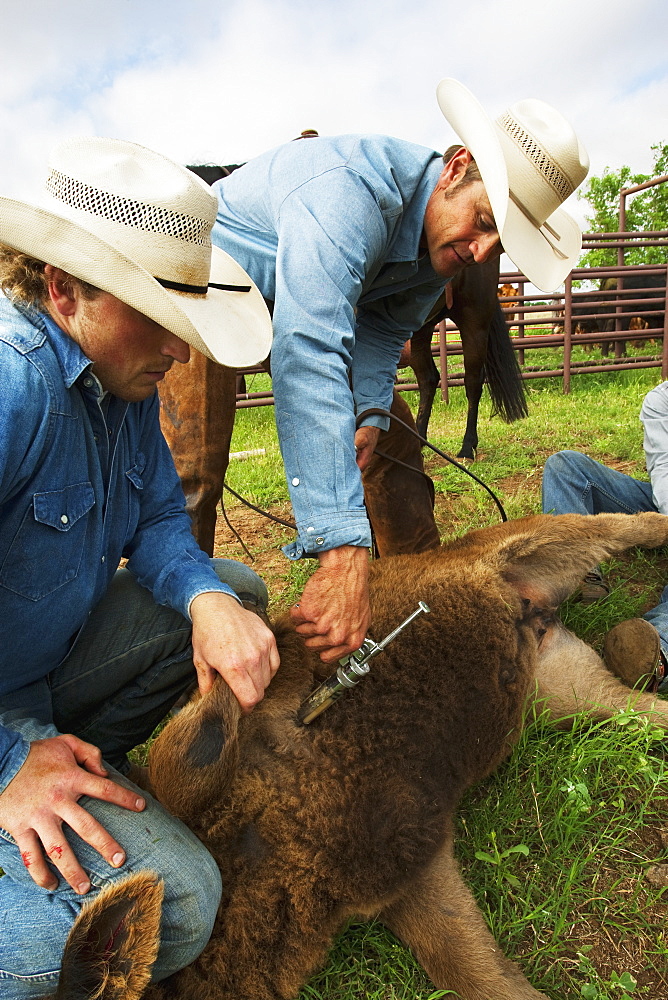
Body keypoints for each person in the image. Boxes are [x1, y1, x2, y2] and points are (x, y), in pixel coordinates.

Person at [0, 137, 278, 998]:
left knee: (235, 590)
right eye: (159, 318)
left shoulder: (121, 389)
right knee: (183, 906)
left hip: (33, 681)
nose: (182, 355)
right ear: (62, 289)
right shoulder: (15, 387)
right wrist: (13, 763)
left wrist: (201, 598)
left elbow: (158, 514)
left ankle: (73, 775)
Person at [200, 77, 589, 664]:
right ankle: (194, 633)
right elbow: (307, 347)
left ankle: (421, 605)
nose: (482, 252)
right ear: (457, 169)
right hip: (215, 288)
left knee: (392, 442)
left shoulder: (439, 245)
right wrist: (342, 547)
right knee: (193, 463)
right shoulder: (350, 192)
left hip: (305, 305)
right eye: (484, 220)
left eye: (499, 240)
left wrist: (369, 412)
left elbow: (381, 330)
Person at [542, 382, 668, 694]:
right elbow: (663, 470)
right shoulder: (661, 399)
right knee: (566, 466)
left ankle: (655, 651)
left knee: (651, 645)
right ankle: (579, 570)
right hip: (661, 501)